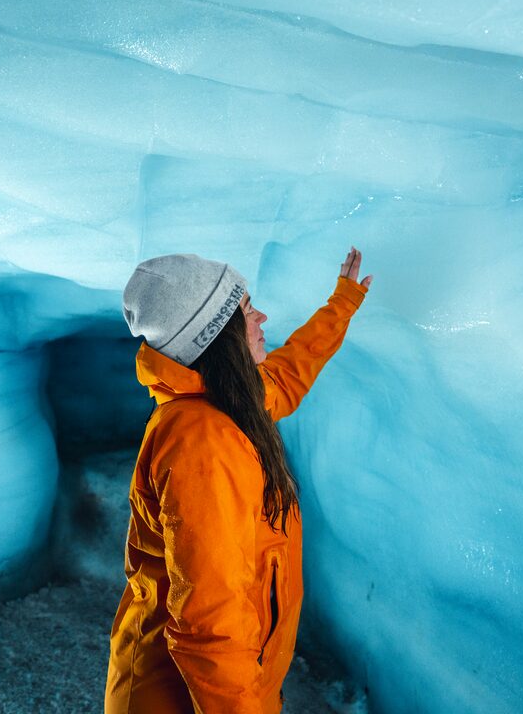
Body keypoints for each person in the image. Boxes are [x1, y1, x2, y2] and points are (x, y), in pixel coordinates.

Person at [105, 248, 372, 714]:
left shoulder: (223, 404)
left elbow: (285, 379)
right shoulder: (204, 443)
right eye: (248, 310)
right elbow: (211, 627)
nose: (262, 316)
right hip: (180, 701)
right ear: (217, 337)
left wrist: (341, 305)